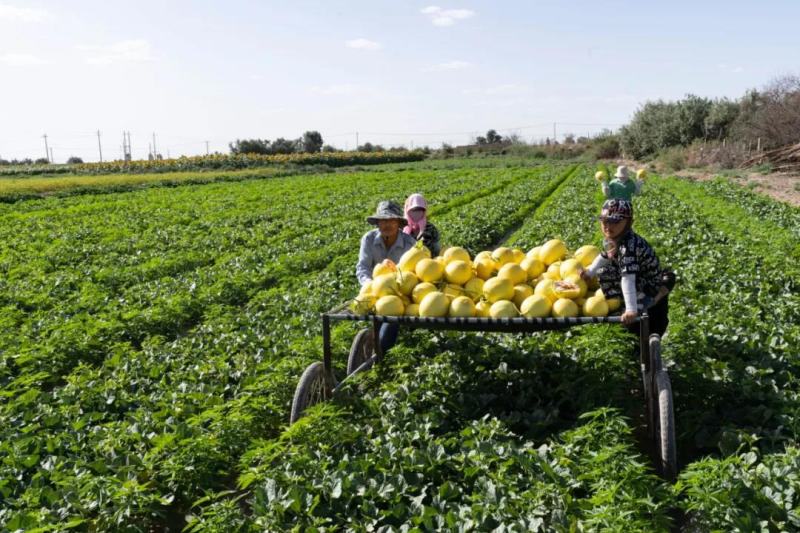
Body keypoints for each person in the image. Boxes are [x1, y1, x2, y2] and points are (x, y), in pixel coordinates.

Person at [581, 199, 675, 337]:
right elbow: (605, 256)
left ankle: (639, 303)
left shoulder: (629, 246)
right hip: (637, 277)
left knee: (607, 272)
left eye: (615, 222)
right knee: (604, 270)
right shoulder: (615, 238)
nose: (607, 226)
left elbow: (628, 279)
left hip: (649, 285)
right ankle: (625, 301)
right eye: (604, 221)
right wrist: (589, 272)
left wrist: (631, 310)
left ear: (629, 223)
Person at [356, 200, 418, 353]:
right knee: (362, 312)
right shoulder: (368, 239)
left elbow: (414, 274)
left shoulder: (410, 243)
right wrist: (369, 284)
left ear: (398, 223)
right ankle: (371, 346)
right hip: (373, 290)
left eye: (391, 220)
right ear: (377, 223)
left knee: (390, 321)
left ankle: (381, 355)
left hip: (400, 293)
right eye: (383, 220)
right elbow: (362, 267)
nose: (387, 224)